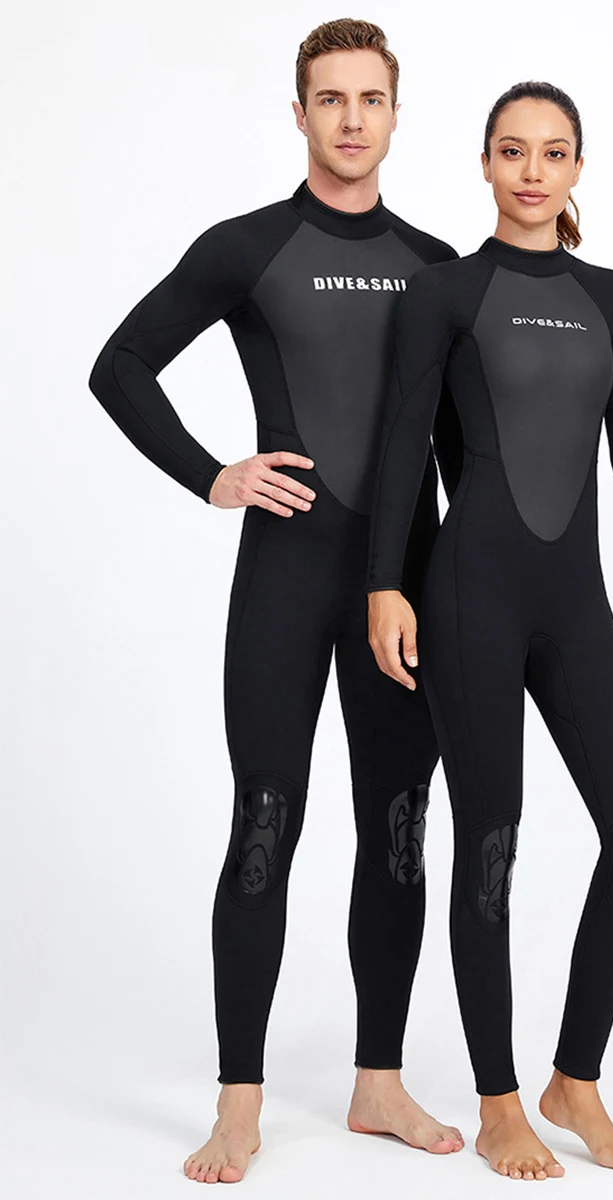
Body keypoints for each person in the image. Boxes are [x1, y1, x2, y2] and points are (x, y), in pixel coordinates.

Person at [88, 19, 466, 1186]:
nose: (352, 118)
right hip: (288, 578)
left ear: (396, 115)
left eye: (371, 98)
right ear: (299, 114)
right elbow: (119, 366)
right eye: (330, 98)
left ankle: (377, 1082)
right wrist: (214, 475)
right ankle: (239, 1104)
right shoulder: (248, 247)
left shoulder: (439, 267)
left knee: (398, 828)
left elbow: (466, 454)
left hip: (405, 588)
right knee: (265, 823)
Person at [367, 80, 613, 1181]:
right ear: (485, 164)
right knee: (492, 841)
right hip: (470, 594)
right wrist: (384, 584)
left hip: (574, 600)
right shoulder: (447, 292)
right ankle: (499, 1101)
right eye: (513, 151)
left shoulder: (612, 296)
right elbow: (402, 443)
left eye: (554, 153)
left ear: (577, 169)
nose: (533, 171)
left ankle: (575, 1080)